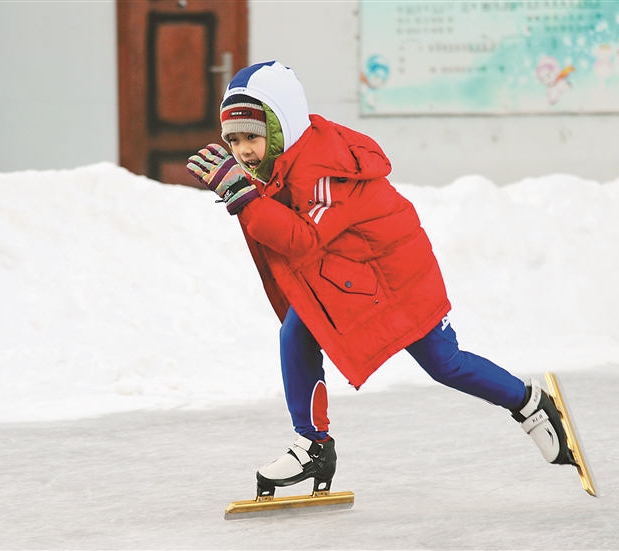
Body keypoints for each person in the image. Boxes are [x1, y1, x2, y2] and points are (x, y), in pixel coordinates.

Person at [186, 61, 574, 496]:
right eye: (233, 141)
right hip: (353, 277)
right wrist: (248, 190)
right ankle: (313, 445)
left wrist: (241, 195)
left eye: (252, 138)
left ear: (281, 128)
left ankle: (530, 404)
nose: (243, 152)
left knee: (445, 364)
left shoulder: (325, 170)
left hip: (398, 278)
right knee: (296, 330)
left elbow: (300, 238)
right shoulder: (285, 158)